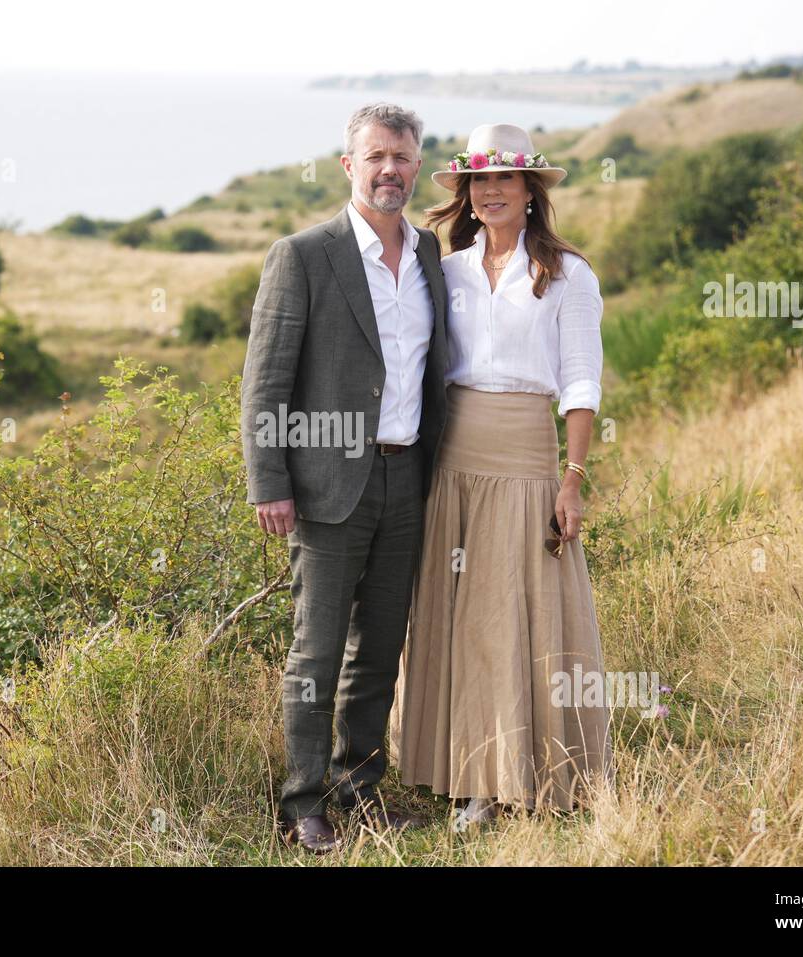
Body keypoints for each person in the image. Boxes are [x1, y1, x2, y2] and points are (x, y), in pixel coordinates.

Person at [390, 123, 615, 829]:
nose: (489, 191)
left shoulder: (567, 274)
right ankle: (468, 778)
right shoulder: (446, 270)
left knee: (514, 611)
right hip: (452, 456)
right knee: (459, 614)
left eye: (504, 179)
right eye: (477, 181)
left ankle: (523, 771)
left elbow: (580, 381)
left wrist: (572, 478)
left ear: (529, 191)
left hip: (524, 457)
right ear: (464, 193)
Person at [240, 103, 449, 853]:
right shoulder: (303, 255)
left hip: (407, 479)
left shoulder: (428, 256)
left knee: (381, 645)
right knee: (316, 650)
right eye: (375, 157)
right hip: (326, 485)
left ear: (417, 166)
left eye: (402, 157)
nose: (389, 169)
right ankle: (303, 800)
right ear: (348, 165)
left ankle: (361, 787)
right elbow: (264, 382)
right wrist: (269, 480)